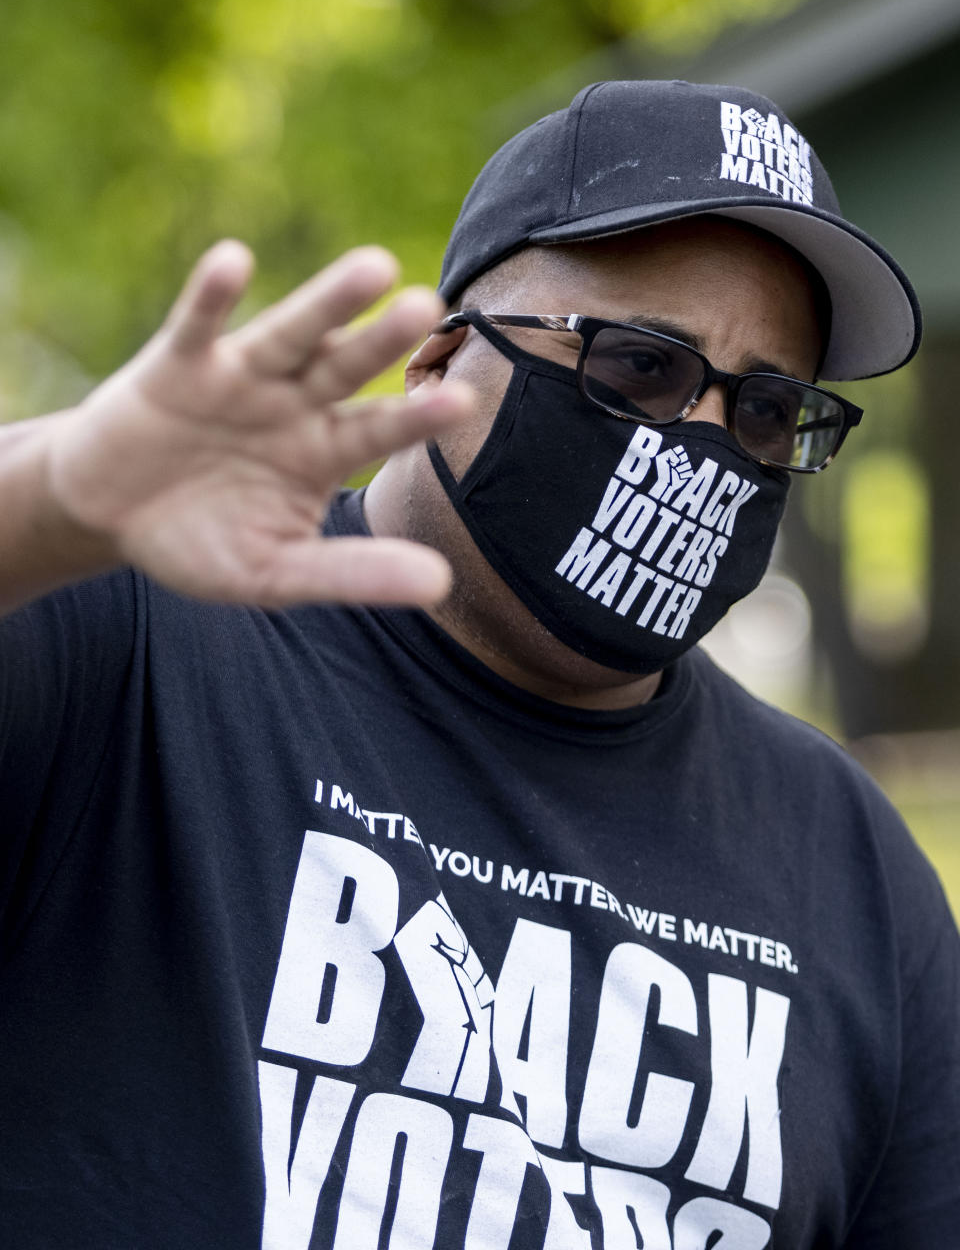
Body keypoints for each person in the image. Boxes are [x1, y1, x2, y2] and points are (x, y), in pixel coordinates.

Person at [0, 79, 957, 1250]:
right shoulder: (131, 640)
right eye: (642, 369)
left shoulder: (851, 866)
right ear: (442, 358)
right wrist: (47, 504)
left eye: (767, 411)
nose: (706, 442)